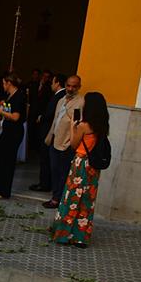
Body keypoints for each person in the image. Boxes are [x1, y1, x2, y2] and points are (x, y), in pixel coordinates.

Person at [51, 92, 108, 249]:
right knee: (87, 201)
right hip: (93, 167)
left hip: (80, 162)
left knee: (72, 198)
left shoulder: (84, 125)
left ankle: (64, 233)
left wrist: (72, 125)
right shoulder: (102, 125)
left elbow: (74, 144)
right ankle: (81, 237)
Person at [44, 75, 83, 208]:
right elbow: (56, 119)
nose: (71, 88)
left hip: (67, 143)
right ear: (65, 85)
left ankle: (59, 199)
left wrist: (70, 143)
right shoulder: (61, 100)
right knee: (54, 170)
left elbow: (76, 123)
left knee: (63, 172)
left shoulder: (80, 102)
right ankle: (55, 196)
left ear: (79, 87)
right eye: (68, 85)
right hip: (55, 139)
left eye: (74, 86)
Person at [0, 73, 27, 199]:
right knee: (0, 158)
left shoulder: (19, 96)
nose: (3, 85)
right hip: (8, 130)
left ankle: (3, 190)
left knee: (7, 161)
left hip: (14, 132)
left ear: (9, 83)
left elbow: (15, 117)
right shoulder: (10, 96)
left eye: (4, 83)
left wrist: (0, 111)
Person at [31, 73, 66, 196]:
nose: (51, 84)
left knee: (45, 158)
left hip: (48, 131)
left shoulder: (60, 96)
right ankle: (45, 182)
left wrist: (42, 117)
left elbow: (52, 113)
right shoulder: (58, 95)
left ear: (57, 83)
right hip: (48, 130)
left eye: (53, 82)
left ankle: (44, 184)